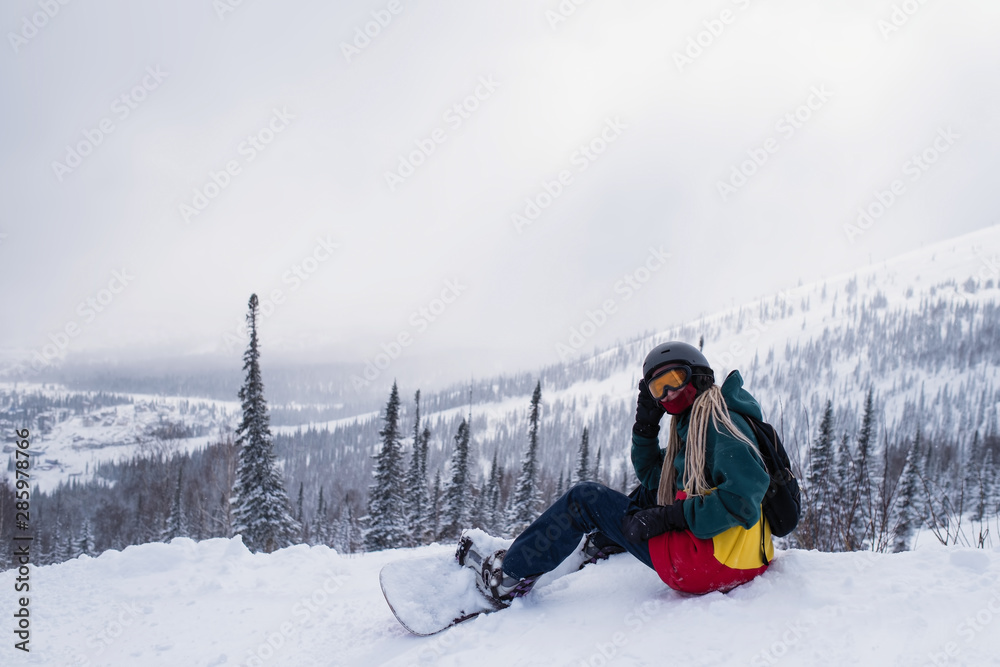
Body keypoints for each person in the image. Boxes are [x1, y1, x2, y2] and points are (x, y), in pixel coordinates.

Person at [457, 340, 774, 604]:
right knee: (649, 493)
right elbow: (653, 476)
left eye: (673, 380)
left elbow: (743, 499)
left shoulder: (718, 424)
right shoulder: (703, 422)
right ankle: (608, 541)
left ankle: (506, 579)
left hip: (704, 566)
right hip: (742, 561)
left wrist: (669, 518)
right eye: (657, 389)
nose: (667, 395)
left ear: (700, 376)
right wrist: (646, 427)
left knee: (584, 500)